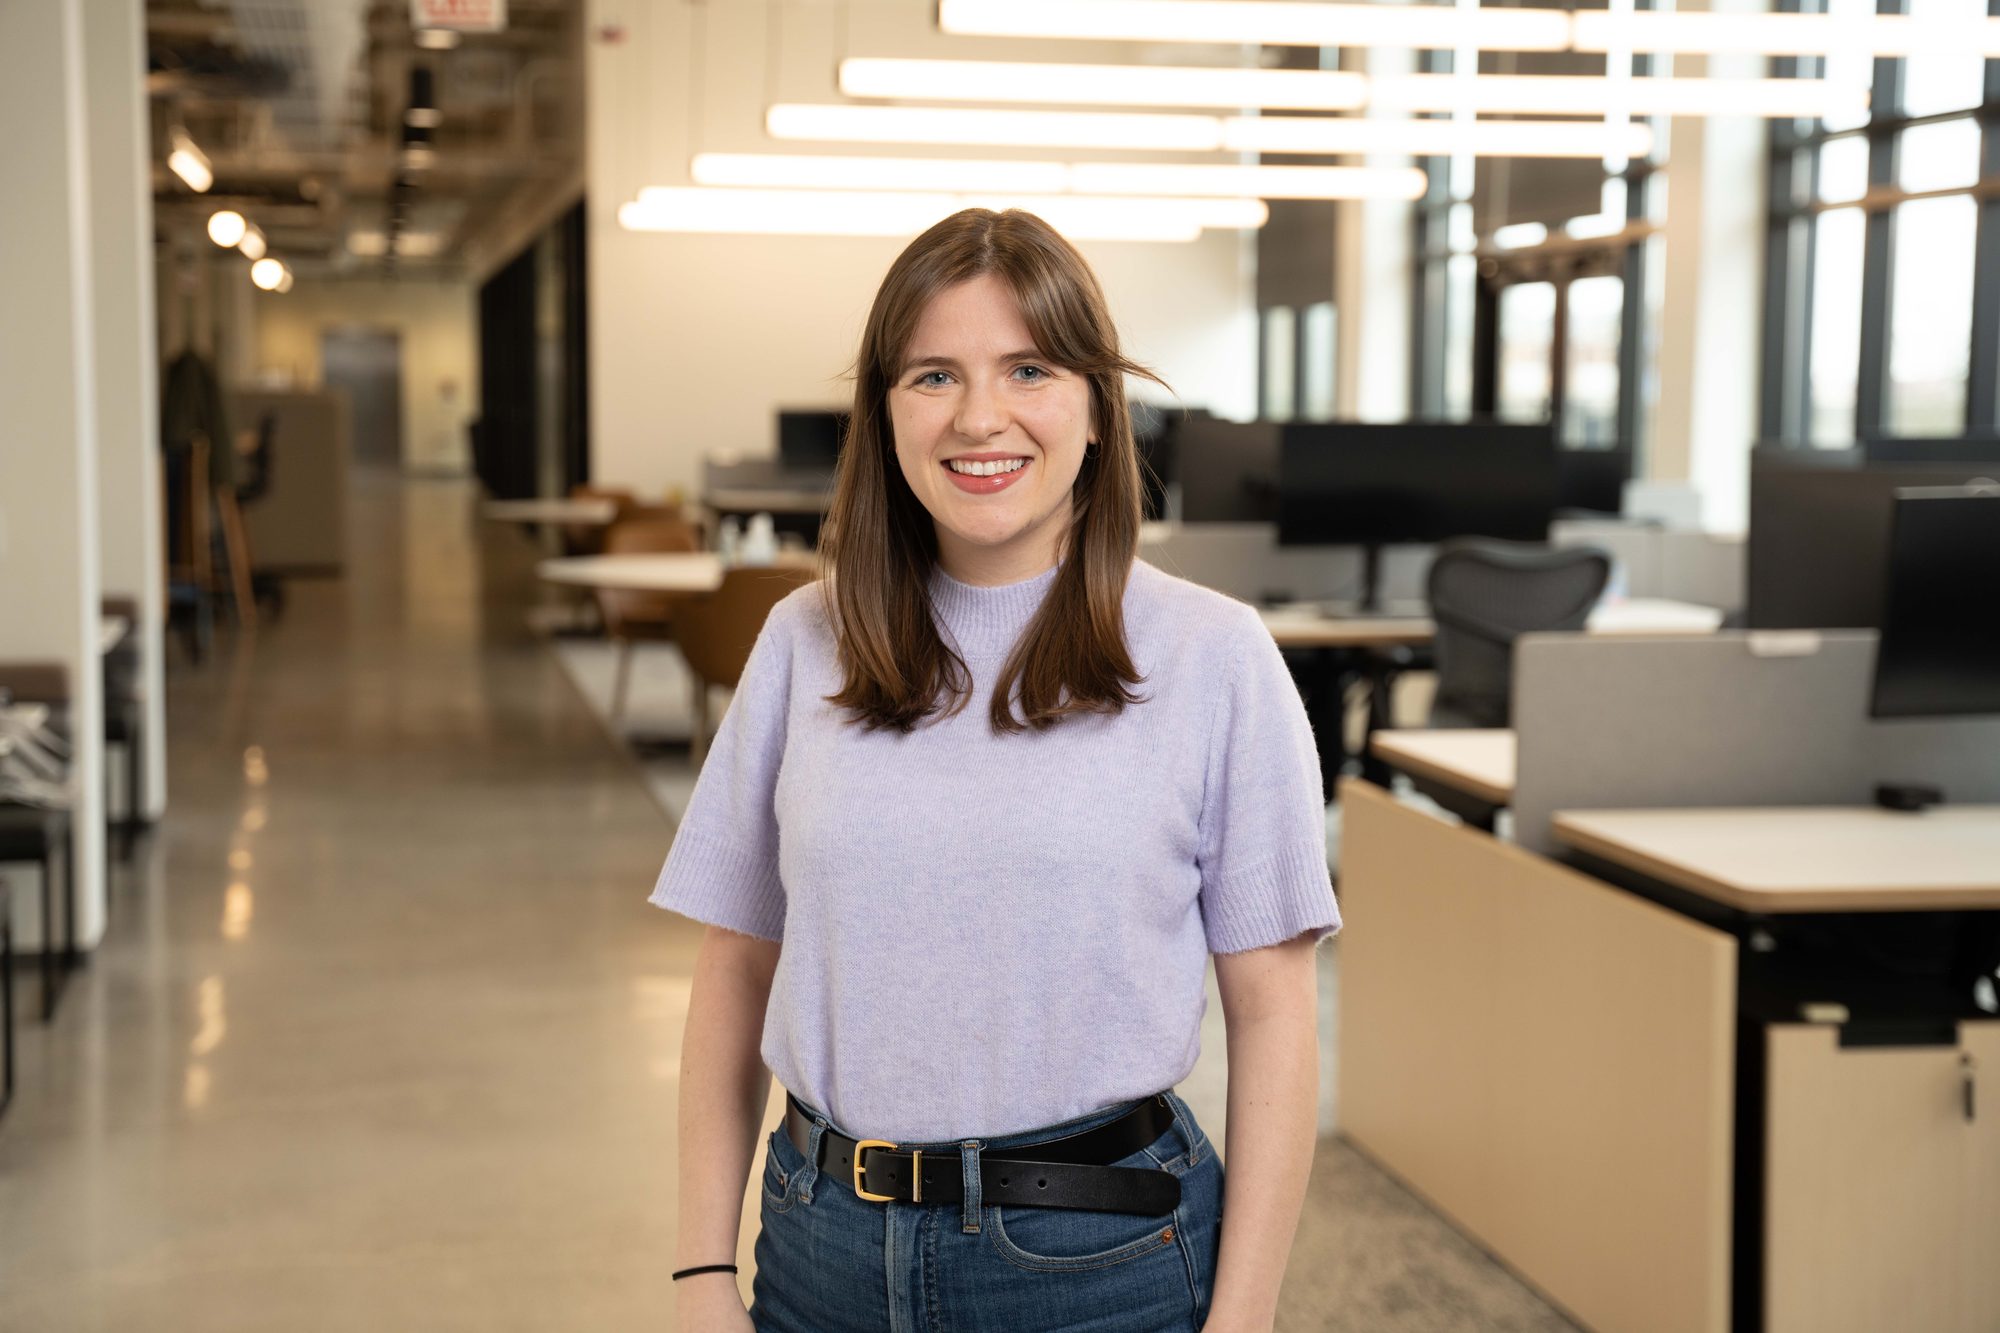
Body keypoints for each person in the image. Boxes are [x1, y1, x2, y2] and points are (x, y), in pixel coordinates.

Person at [657, 208, 1339, 1333]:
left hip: (1100, 1260)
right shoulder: (803, 641)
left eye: (1029, 369)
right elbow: (735, 965)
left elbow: (1272, 1014)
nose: (980, 417)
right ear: (884, 411)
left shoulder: (1213, 655)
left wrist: (1244, 1317)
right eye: (934, 374)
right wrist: (699, 1272)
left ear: (1096, 405)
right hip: (821, 1247)